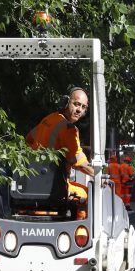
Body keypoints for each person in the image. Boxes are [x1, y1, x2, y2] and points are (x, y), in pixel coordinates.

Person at [26, 87, 95, 219]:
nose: (79, 110)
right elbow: (80, 164)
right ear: (65, 102)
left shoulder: (49, 119)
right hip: (53, 187)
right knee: (86, 194)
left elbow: (29, 138)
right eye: (76, 104)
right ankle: (79, 230)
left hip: (31, 185)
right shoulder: (69, 129)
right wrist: (99, 174)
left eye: (83, 107)